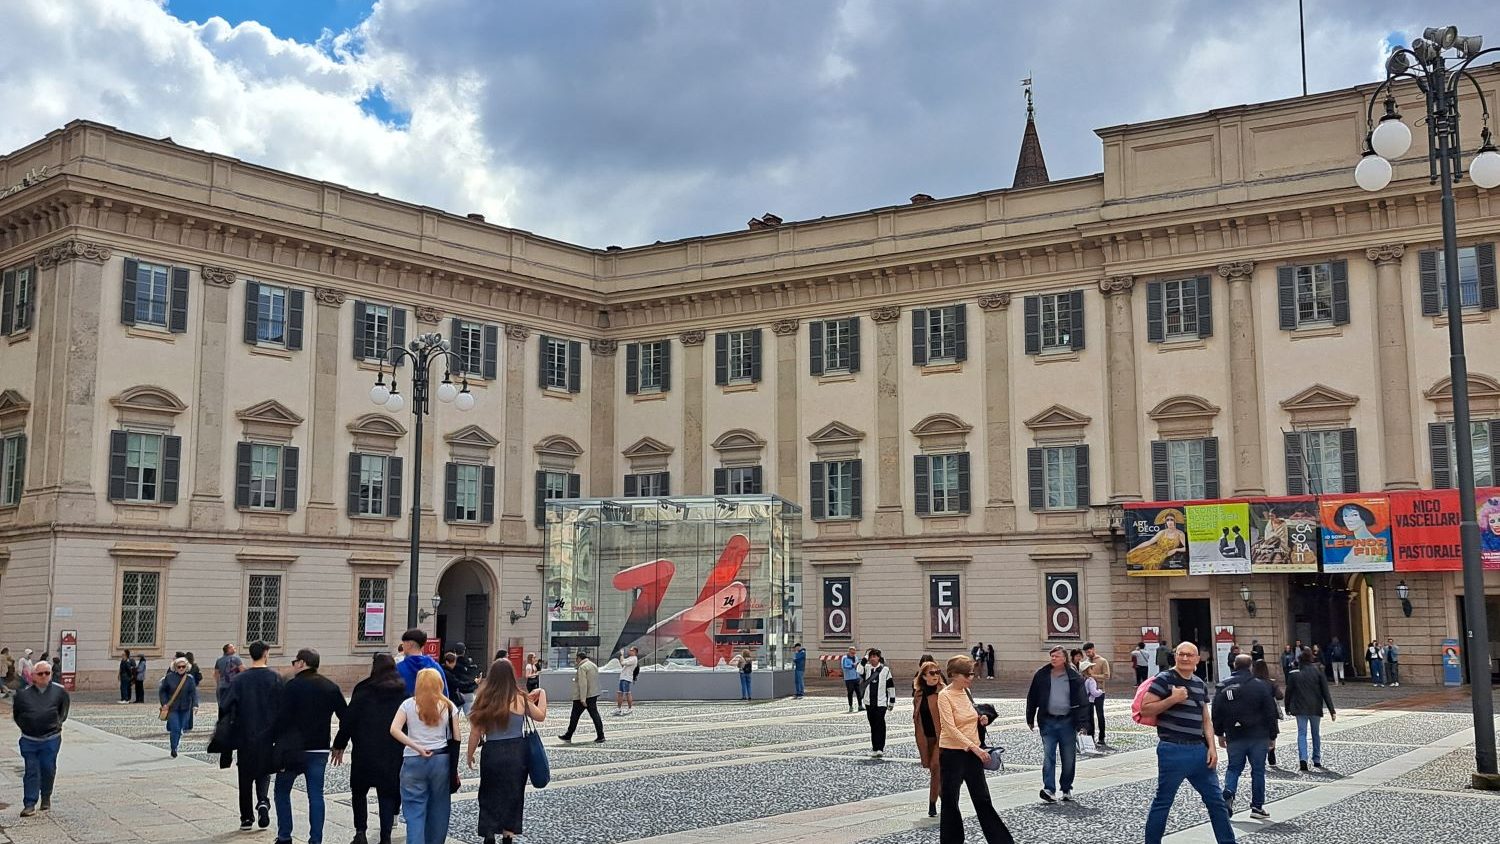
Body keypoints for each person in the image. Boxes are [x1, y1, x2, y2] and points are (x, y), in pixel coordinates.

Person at [1139, 642, 1236, 844]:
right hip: (1172, 749)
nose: (1185, 658)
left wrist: (1212, 747)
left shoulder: (1199, 684)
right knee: (1163, 802)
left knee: (1217, 802)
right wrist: (1172, 699)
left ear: (1197, 659)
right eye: (1181, 654)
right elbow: (1146, 709)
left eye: (1189, 655)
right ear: (1175, 656)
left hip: (1199, 751)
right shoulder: (1164, 679)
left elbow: (1205, 718)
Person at [466, 659, 547, 844]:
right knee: (513, 793)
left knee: (488, 792)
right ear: (511, 676)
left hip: (492, 752)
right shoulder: (519, 698)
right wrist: (542, 694)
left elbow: (475, 732)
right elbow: (540, 716)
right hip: (516, 752)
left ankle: (488, 833)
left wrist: (470, 755)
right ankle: (508, 835)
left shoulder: (484, 698)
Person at [273, 648, 348, 844]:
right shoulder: (330, 686)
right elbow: (347, 718)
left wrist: (274, 741)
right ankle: (315, 839)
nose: (294, 665)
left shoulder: (292, 686)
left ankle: (284, 836)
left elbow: (281, 718)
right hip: (319, 749)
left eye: (295, 662)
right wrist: (339, 743)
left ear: (302, 663)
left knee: (281, 792)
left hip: (292, 750)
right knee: (316, 796)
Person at [937, 655, 1014, 843]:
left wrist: (982, 719)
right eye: (967, 674)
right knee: (950, 801)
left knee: (982, 799)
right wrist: (975, 748)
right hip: (952, 754)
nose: (971, 678)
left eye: (971, 674)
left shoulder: (966, 692)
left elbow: (971, 716)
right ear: (954, 675)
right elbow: (950, 728)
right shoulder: (944, 695)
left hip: (972, 754)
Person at [334, 653, 406, 844]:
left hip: (364, 749)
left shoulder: (363, 689)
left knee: (359, 791)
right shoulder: (402, 690)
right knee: (387, 793)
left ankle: (360, 832)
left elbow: (349, 721)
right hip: (392, 750)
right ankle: (385, 836)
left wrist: (339, 744)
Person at [390, 667, 461, 844]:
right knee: (439, 809)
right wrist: (454, 768)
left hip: (413, 760)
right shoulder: (449, 706)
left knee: (414, 812)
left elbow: (394, 729)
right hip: (441, 760)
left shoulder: (408, 704)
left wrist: (416, 746)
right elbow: (457, 738)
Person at [223, 640, 281, 832]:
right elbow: (282, 708)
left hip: (244, 734)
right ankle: (263, 801)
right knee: (264, 770)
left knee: (245, 776)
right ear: (266, 653)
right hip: (267, 735)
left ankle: (246, 817)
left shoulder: (240, 679)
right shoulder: (274, 678)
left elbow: (227, 707)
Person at [1213, 654, 1279, 820]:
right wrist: (1272, 735)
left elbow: (1216, 712)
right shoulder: (1260, 686)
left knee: (1233, 768)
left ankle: (1229, 793)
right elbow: (1270, 712)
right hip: (1258, 735)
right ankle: (1257, 807)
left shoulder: (1222, 686)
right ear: (1250, 666)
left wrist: (1219, 733)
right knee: (1258, 771)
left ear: (1234, 665)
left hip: (1234, 735)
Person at [1025, 646, 1087, 803]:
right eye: (1052, 656)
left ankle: (1066, 788)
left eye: (1057, 656)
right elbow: (1032, 696)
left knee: (1068, 758)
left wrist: (1083, 724)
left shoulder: (1073, 677)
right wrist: (1030, 717)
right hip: (1048, 721)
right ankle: (1049, 789)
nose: (1053, 658)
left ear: (1064, 658)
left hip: (1068, 722)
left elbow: (1082, 701)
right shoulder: (1042, 674)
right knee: (1049, 756)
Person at [13, 660, 69, 817]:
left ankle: (46, 796)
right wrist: (26, 726)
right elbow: (17, 714)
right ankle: (29, 803)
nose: (44, 676)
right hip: (29, 739)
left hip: (51, 738)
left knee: (47, 768)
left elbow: (63, 711)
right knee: (31, 770)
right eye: (40, 673)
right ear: (33, 676)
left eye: (47, 673)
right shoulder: (23, 694)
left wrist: (57, 723)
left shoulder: (60, 692)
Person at [1285, 648, 1337, 772]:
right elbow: (1325, 692)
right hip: (1315, 707)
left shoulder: (1293, 674)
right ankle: (1317, 759)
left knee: (1301, 734)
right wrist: (1332, 710)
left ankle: (1303, 758)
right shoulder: (1318, 672)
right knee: (1315, 734)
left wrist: (1287, 707)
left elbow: (1288, 693)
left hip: (1300, 708)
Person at [913, 660, 945, 818]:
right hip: (926, 738)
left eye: (938, 672)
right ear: (923, 676)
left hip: (942, 738)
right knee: (934, 771)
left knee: (935, 767)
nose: (936, 676)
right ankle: (945, 799)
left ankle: (932, 803)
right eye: (932, 673)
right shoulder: (918, 694)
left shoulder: (943, 692)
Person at [558, 650, 604, 744]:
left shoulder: (582, 667)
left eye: (576, 659)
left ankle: (568, 735)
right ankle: (601, 735)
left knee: (574, 716)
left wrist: (582, 699)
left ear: (579, 658)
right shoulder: (593, 665)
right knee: (595, 715)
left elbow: (583, 684)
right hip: (593, 694)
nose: (576, 661)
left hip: (583, 696)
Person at [158, 656, 199, 758]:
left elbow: (193, 693)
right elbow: (163, 691)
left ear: (187, 667)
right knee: (175, 728)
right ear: (175, 667)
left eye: (183, 666)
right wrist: (164, 703)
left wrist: (195, 705)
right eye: (179, 667)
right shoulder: (169, 677)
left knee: (181, 728)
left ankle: (176, 741)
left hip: (185, 708)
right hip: (173, 708)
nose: (181, 668)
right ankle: (174, 748)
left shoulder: (190, 679)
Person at [396, 628, 449, 697]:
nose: (402, 646)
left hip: (405, 706)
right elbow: (444, 693)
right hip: (431, 706)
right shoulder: (435, 667)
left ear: (409, 644)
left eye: (403, 643)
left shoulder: (398, 668)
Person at [1251, 658, 1284, 769]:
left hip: (1256, 711)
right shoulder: (1271, 682)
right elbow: (1280, 696)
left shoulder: (1251, 683)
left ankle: (1260, 757)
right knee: (1272, 732)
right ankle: (1271, 754)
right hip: (1270, 711)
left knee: (1258, 734)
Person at [862, 649, 895, 758]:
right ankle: (874, 748)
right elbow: (858, 670)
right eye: (871, 657)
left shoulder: (885, 670)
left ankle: (880, 748)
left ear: (879, 658)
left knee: (879, 724)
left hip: (881, 703)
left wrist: (892, 701)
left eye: (874, 656)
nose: (872, 658)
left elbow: (890, 686)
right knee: (872, 725)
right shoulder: (867, 668)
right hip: (869, 702)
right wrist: (865, 657)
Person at [1083, 641, 1111, 748]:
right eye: (1086, 652)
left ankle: (1102, 737)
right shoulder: (1086, 662)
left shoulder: (1102, 661)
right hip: (1089, 693)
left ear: (1093, 649)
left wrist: (1093, 676)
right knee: (1089, 716)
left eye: (1089, 651)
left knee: (1100, 715)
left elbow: (1107, 675)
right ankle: (1091, 736)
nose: (1088, 653)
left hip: (1099, 691)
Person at [451, 643, 482, 714]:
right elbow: (475, 676)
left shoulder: (452, 664)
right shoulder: (470, 664)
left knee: (454, 716)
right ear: (464, 651)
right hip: (469, 692)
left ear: (454, 651)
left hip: (457, 693)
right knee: (470, 716)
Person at [615, 647, 639, 714]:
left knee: (627, 693)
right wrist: (621, 656)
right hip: (623, 677)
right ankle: (618, 708)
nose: (629, 651)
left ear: (635, 652)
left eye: (631, 650)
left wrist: (622, 654)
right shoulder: (630, 658)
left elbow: (622, 662)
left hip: (627, 678)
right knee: (620, 693)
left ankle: (630, 708)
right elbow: (622, 661)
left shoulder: (634, 659)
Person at [841, 647, 862, 712]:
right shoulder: (845, 658)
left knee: (859, 692)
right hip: (849, 678)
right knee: (850, 692)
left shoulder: (856, 657)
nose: (853, 654)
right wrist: (853, 665)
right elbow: (844, 666)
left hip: (856, 677)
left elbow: (858, 666)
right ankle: (850, 706)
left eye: (854, 652)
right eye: (852, 653)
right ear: (849, 652)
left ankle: (860, 706)